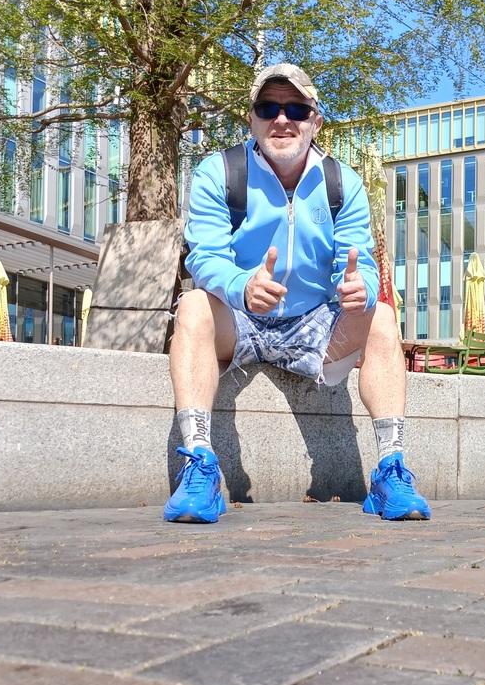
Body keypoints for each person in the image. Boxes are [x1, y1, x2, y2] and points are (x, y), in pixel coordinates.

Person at [164, 63, 430, 524]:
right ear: (251, 118)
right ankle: (200, 466)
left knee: (382, 316)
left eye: (297, 109)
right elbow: (204, 256)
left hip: (313, 324)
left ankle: (390, 469)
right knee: (191, 305)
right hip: (238, 316)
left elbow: (361, 263)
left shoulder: (342, 183)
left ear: (315, 122)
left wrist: (361, 289)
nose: (282, 120)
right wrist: (242, 286)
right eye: (268, 108)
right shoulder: (219, 172)